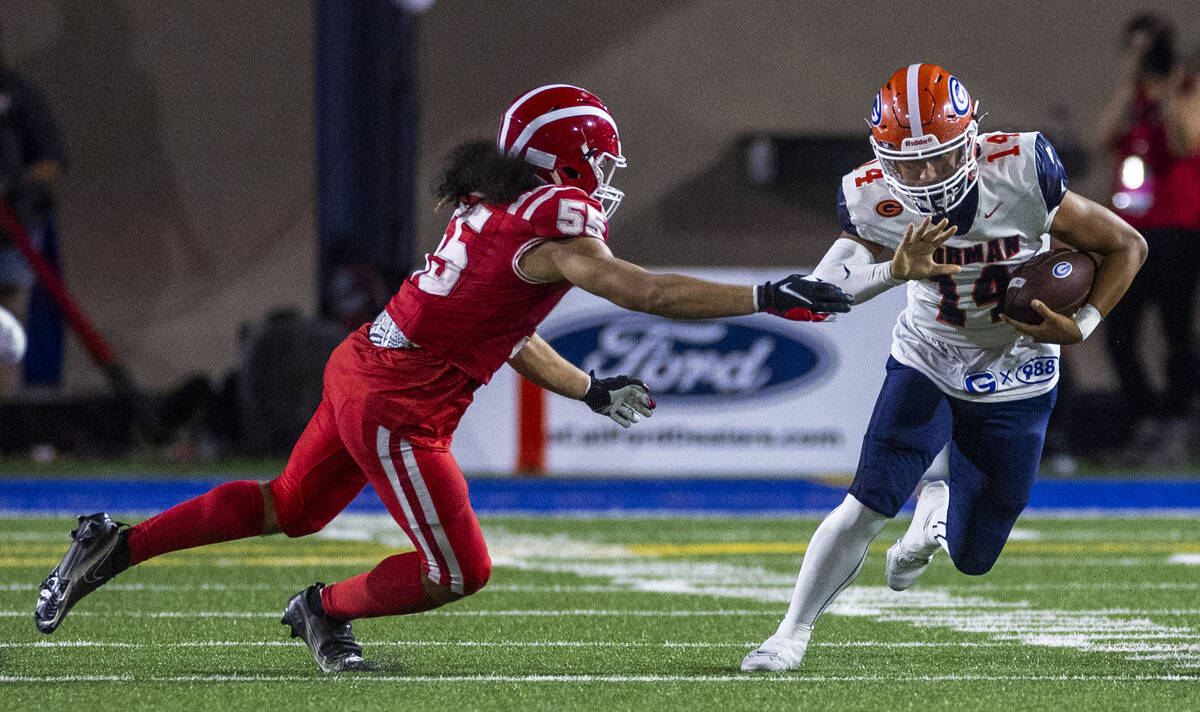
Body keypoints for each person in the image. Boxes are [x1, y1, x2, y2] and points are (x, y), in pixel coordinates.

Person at [35, 84, 853, 672]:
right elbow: (642, 290)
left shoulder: (493, 206)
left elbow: (506, 329)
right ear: (566, 161)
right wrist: (767, 294)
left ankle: (117, 542)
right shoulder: (555, 218)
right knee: (459, 570)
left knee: (293, 505)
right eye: (598, 160)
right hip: (396, 401)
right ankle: (324, 608)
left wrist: (590, 389)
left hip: (366, 364)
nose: (605, 176)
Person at [741, 63, 1146, 672]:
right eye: (906, 164)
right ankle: (789, 635)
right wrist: (892, 272)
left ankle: (932, 517)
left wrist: (1081, 325)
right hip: (928, 358)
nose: (925, 177)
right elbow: (822, 293)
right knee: (866, 502)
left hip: (1020, 368)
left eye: (940, 158)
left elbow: (1127, 245)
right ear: (882, 156)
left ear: (972, 138)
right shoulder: (870, 195)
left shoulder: (1022, 167)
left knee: (975, 555)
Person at [1093, 14, 1200, 467]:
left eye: (1149, 50)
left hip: (1177, 228)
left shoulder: (1188, 92)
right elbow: (1101, 137)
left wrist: (1171, 90)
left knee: (1177, 331)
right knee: (1117, 329)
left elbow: (1183, 145)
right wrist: (1129, 80)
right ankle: (1145, 418)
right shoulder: (1130, 98)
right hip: (1129, 232)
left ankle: (1177, 422)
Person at [0, 54, 67, 394]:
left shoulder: (17, 93)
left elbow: (52, 159)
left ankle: (7, 422)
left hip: (12, 233)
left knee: (8, 335)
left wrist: (15, 186)